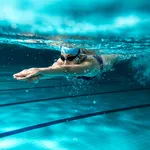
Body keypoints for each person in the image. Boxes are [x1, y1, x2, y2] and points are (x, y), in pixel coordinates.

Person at [13, 46, 121, 83]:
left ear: (80, 57)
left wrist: (39, 70)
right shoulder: (63, 62)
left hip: (110, 60)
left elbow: (67, 70)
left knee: (118, 56)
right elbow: (53, 71)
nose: (64, 62)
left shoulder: (90, 64)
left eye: (69, 58)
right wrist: (37, 77)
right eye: (62, 58)